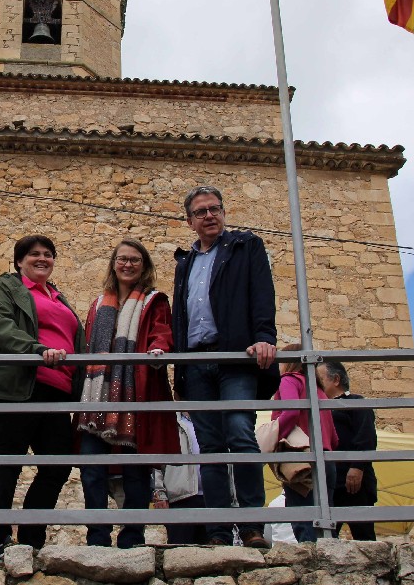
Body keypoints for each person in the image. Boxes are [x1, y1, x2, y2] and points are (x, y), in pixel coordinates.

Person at [171, 185, 279, 548]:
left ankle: (251, 527)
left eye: (214, 209)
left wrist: (264, 336)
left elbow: (262, 293)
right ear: (190, 221)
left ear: (223, 212)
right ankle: (217, 531)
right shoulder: (185, 264)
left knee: (240, 434)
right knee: (210, 446)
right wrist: (179, 369)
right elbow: (181, 315)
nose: (209, 216)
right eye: (200, 212)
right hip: (196, 362)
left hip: (235, 358)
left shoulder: (245, 247)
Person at [0, 235, 85, 560]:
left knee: (57, 465)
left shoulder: (58, 296)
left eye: (48, 254)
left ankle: (30, 538)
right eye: (34, 254)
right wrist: (36, 349)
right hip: (20, 386)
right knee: (9, 460)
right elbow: (0, 326)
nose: (42, 259)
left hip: (58, 391)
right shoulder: (7, 287)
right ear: (19, 261)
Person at [76, 237, 178, 548]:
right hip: (96, 398)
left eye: (135, 259)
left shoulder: (154, 301)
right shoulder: (98, 304)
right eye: (122, 259)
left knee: (136, 470)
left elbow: (162, 332)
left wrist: (159, 349)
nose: (128, 264)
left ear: (144, 266)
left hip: (135, 395)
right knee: (91, 469)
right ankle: (97, 537)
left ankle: (132, 537)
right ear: (113, 264)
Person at [270, 341, 337, 543]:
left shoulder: (289, 380)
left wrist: (274, 436)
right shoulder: (319, 391)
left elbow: (291, 413)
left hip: (301, 459)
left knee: (303, 522)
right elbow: (334, 437)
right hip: (327, 460)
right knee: (326, 524)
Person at [317, 359, 378, 540]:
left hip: (355, 482)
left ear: (336, 380)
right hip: (331, 482)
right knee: (327, 537)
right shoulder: (318, 408)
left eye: (320, 380)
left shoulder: (356, 402)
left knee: (364, 536)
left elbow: (366, 436)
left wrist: (357, 466)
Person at [153, 411, 209, 545]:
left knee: (215, 551)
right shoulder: (168, 421)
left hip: (213, 498)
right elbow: (157, 459)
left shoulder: (212, 420)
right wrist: (159, 492)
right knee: (179, 550)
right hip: (180, 498)